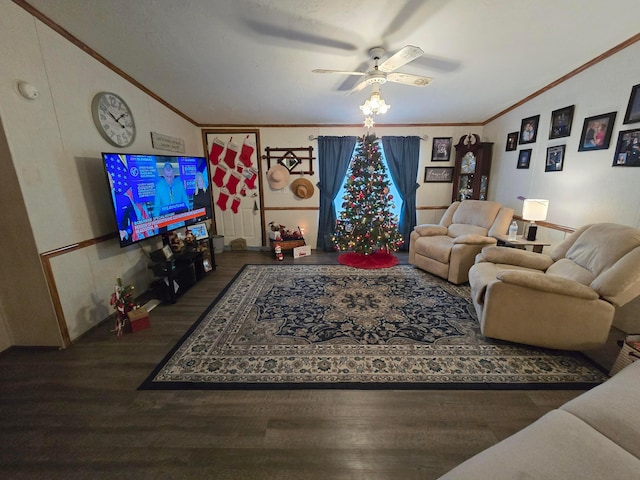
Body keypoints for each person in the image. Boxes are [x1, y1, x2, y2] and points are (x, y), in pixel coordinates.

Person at [108, 172, 137, 242]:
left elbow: (135, 221)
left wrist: (126, 232)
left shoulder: (125, 199)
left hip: (126, 240)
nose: (109, 182)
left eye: (110, 179)